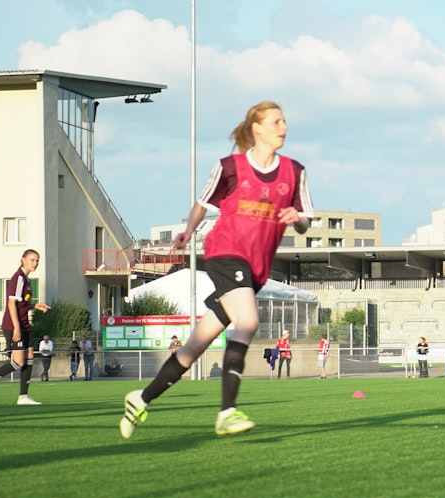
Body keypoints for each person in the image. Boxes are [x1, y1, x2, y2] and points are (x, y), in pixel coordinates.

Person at [119, 100, 314, 439]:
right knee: (248, 321)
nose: (284, 127)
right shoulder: (230, 167)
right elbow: (203, 201)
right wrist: (189, 231)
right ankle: (227, 411)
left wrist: (298, 219)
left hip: (254, 270)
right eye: (276, 122)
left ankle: (141, 398)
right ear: (257, 128)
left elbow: (306, 221)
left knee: (195, 345)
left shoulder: (294, 172)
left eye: (284, 121)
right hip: (225, 254)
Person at [0, 249, 51, 405]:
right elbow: (11, 303)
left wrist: (35, 306)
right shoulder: (19, 278)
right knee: (18, 362)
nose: (35, 263)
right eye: (32, 260)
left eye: (37, 260)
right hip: (14, 325)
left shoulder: (27, 280)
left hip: (24, 325)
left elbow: (22, 304)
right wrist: (16, 328)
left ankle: (23, 397)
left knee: (29, 357)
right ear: (23, 260)